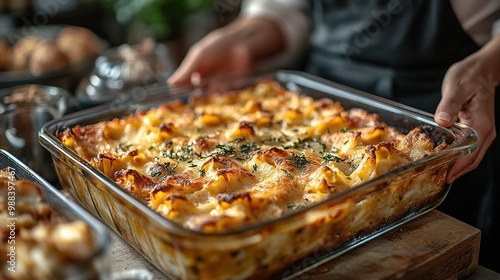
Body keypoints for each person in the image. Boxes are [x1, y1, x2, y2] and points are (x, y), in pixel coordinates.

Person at [168, 0, 500, 272]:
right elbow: (284, 11)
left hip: (440, 105)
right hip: (313, 102)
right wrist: (240, 37)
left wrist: (488, 66)